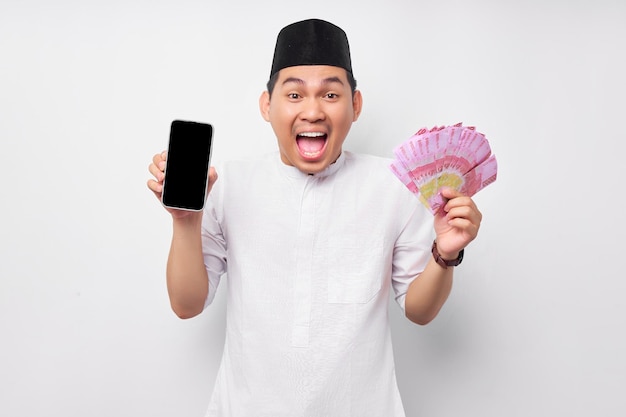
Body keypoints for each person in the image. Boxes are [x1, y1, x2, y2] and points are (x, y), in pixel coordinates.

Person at [147, 18, 482, 417]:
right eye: (293, 94)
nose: (312, 110)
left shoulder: (393, 186)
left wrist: (444, 255)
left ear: (355, 105)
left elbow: (420, 310)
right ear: (266, 106)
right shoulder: (228, 184)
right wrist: (186, 220)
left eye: (330, 93)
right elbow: (187, 304)